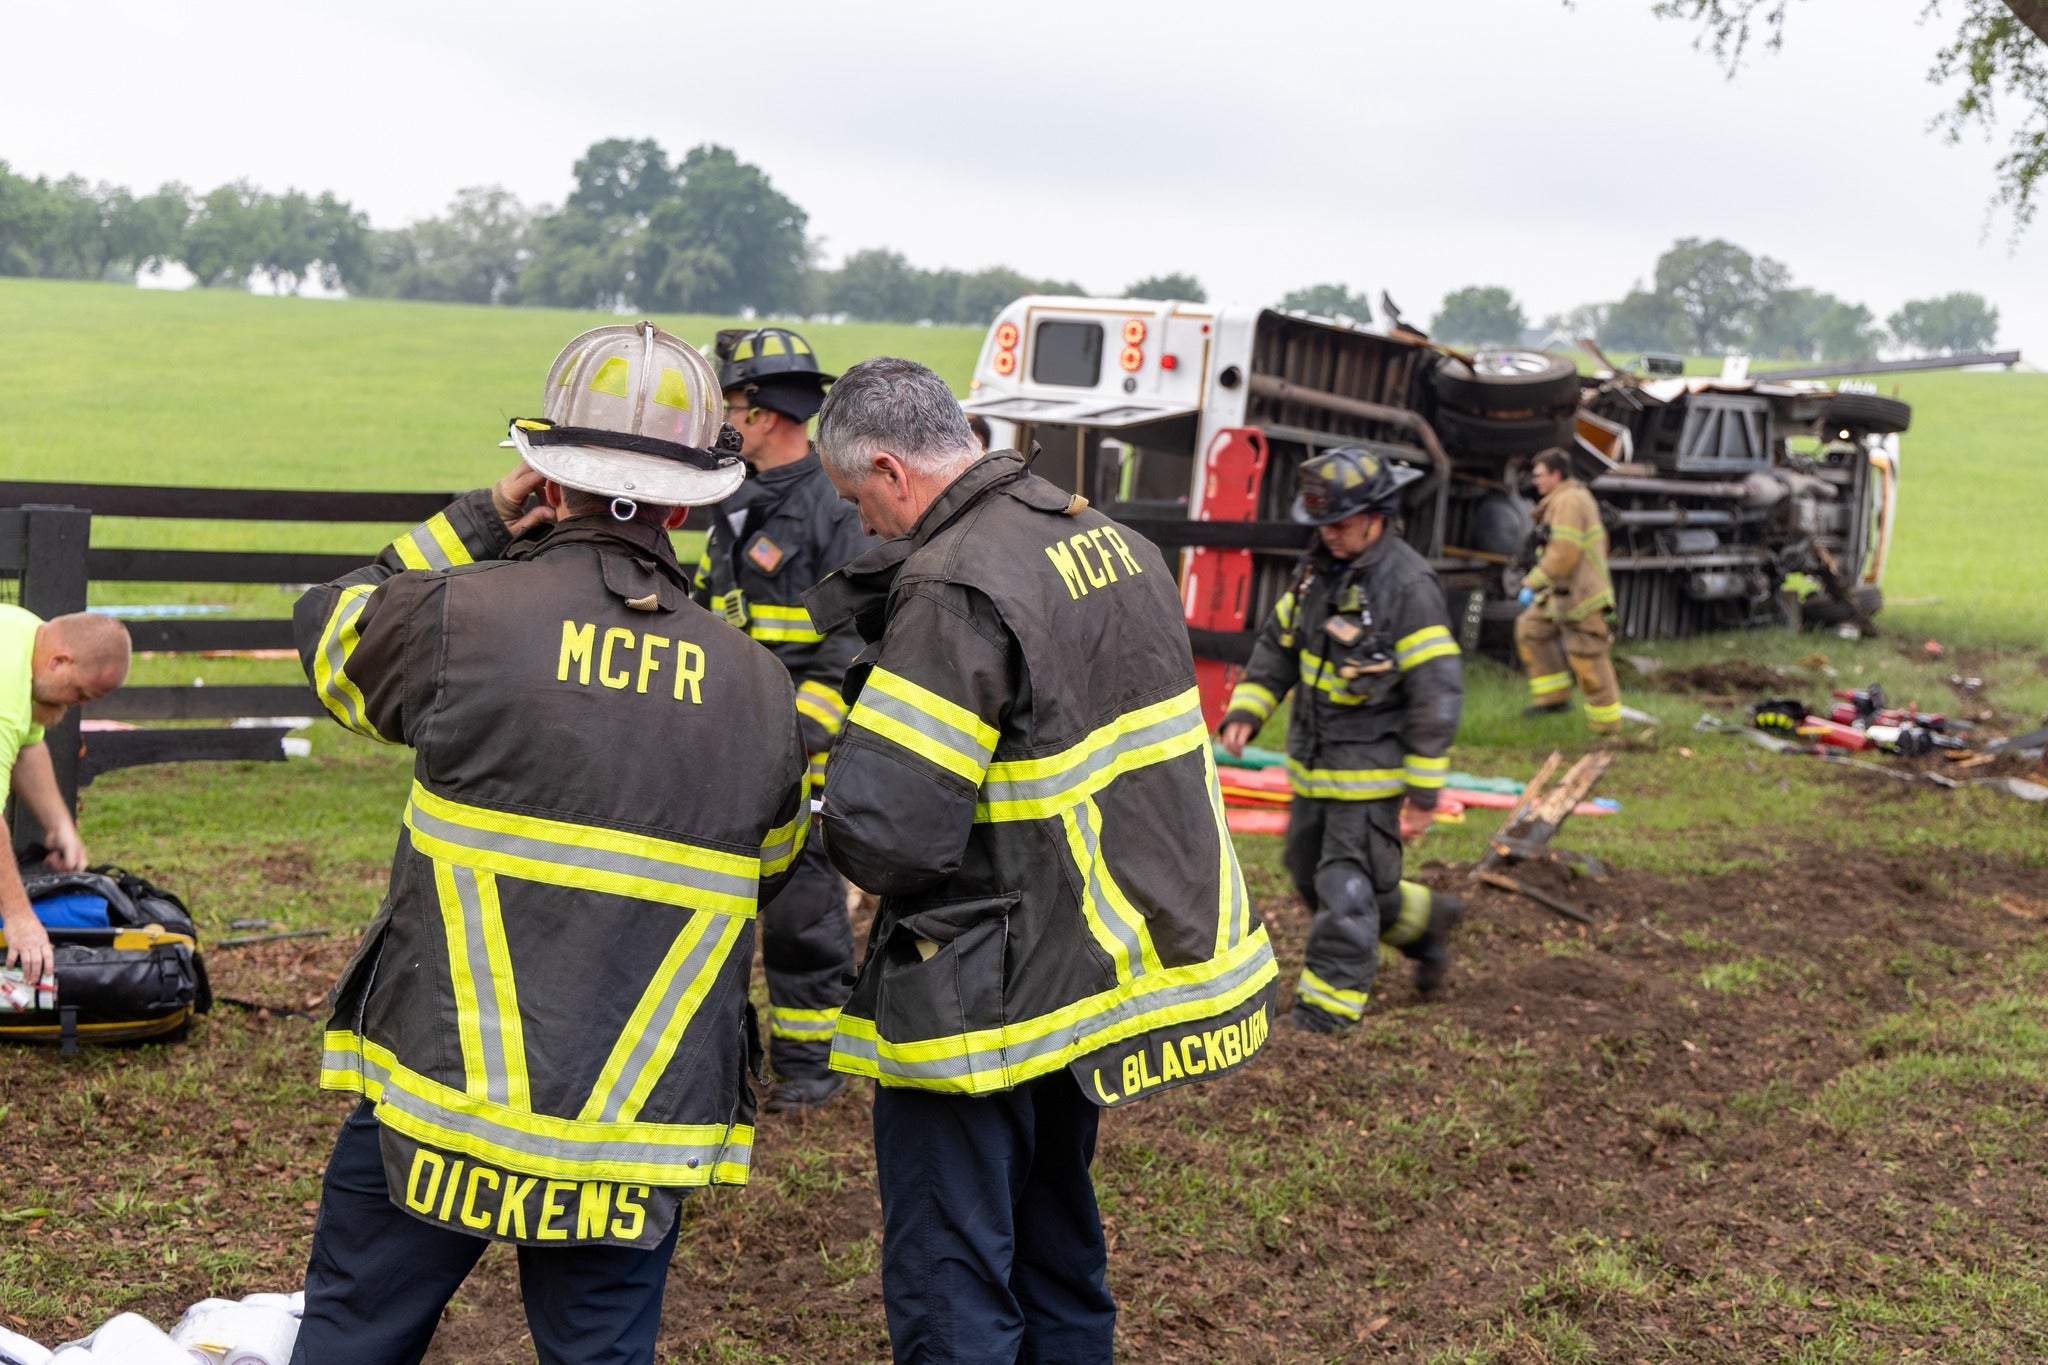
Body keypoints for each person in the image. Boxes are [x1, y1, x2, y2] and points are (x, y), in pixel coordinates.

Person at [288, 322, 809, 1365]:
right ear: (683, 501)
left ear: (546, 478)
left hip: (444, 1100)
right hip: (632, 1122)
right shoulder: (761, 689)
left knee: (355, 1335)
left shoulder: (459, 621)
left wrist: (476, 520)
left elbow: (327, 628)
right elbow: (774, 864)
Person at [804, 358, 1277, 1364]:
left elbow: (891, 835)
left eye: (856, 501)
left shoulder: (949, 586)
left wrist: (815, 793)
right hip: (1088, 970)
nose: (865, 528)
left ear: (890, 469)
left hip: (981, 991)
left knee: (951, 1270)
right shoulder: (1107, 540)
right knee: (1056, 1245)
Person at [1215, 446, 1465, 1030]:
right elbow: (1279, 646)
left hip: (1371, 778)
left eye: (1342, 524)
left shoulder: (1409, 586)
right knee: (1311, 875)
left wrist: (1424, 793)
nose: (1329, 534)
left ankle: (1325, 1017)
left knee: (1345, 888)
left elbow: (1437, 693)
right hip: (1315, 770)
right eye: (1322, 524)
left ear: (1378, 516)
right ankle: (1427, 923)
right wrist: (1248, 711)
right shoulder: (1316, 575)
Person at [693, 325, 871, 1112]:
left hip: (805, 753)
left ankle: (808, 1063)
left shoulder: (833, 507)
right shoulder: (726, 497)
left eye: (731, 404)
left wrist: (800, 734)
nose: (723, 419)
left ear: (763, 414)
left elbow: (852, 644)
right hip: (724, 744)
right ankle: (723, 1052)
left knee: (802, 913)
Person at [0, 609, 131, 987]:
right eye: (78, 693)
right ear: (60, 661)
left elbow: (28, 746)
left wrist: (60, 826)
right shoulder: (7, 695)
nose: (77, 705)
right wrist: (19, 917)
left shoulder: (27, 632)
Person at [1515, 447, 1620, 733]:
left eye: (1539, 475)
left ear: (1556, 474)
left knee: (1587, 658)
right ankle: (1553, 698)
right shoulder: (1561, 500)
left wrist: (1532, 582)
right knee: (1531, 629)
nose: (1535, 481)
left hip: (1581, 595)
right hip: (1561, 593)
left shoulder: (1571, 502)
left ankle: (1607, 726)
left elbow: (1564, 553)